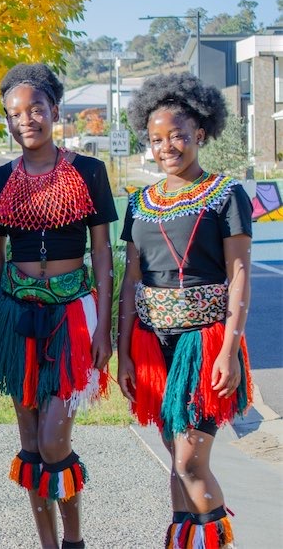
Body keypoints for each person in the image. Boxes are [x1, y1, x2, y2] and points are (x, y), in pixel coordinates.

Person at [0, 63, 116, 549]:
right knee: (31, 443)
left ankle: (74, 541)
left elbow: (102, 250)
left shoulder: (88, 172)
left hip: (73, 315)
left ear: (54, 110)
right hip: (13, 314)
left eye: (36, 108)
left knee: (55, 439)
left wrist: (104, 327)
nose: (26, 120)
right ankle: (48, 544)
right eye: (15, 113)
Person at [117, 73, 252, 549]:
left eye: (177, 134)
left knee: (190, 462)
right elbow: (131, 280)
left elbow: (238, 273)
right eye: (156, 139)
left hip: (207, 342)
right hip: (151, 344)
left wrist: (229, 351)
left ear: (200, 132)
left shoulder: (225, 194)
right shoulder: (139, 204)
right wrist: (123, 353)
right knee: (173, 455)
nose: (167, 146)